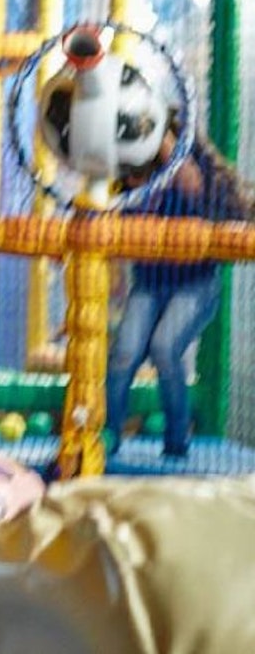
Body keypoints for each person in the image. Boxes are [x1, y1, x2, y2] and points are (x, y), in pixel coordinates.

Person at [107, 112, 253, 457]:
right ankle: (107, 436)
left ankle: (176, 443)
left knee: (164, 348)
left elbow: (190, 182)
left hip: (194, 284)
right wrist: (115, 274)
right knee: (122, 354)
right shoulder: (129, 179)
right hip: (150, 284)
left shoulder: (186, 174)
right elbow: (114, 225)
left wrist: (159, 134)